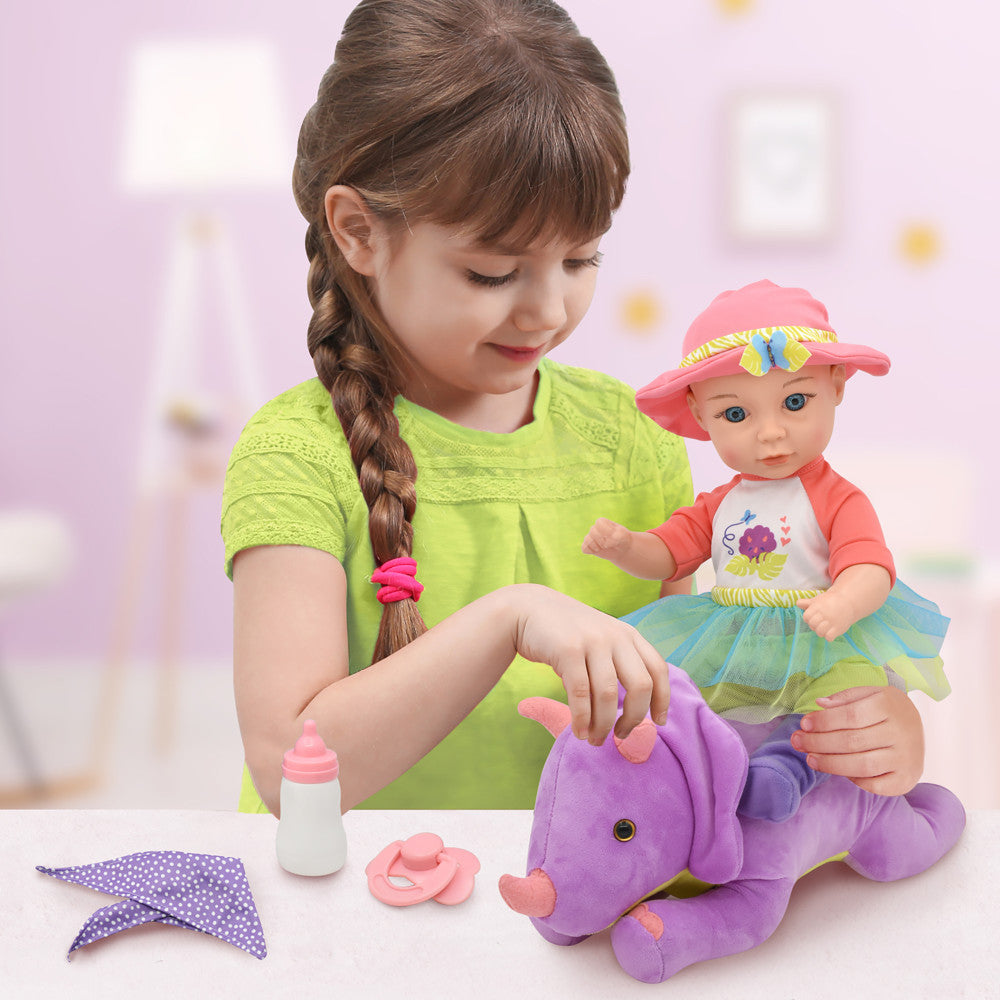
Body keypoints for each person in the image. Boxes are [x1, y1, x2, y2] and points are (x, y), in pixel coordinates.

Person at [223, 0, 927, 816]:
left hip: (592, 888)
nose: (548, 310)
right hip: (362, 891)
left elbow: (697, 715)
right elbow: (288, 774)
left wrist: (864, 731)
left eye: (581, 259)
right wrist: (508, 619)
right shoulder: (297, 455)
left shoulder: (630, 436)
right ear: (358, 232)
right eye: (493, 273)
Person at [583, 279, 949, 820]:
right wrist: (626, 546)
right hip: (732, 635)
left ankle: (788, 768)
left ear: (836, 386)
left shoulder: (837, 498)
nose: (771, 434)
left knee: (846, 695)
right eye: (736, 415)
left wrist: (844, 601)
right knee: (684, 692)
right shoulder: (719, 504)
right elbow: (669, 553)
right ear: (700, 415)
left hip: (820, 635)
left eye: (795, 402)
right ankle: (694, 770)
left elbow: (870, 565)